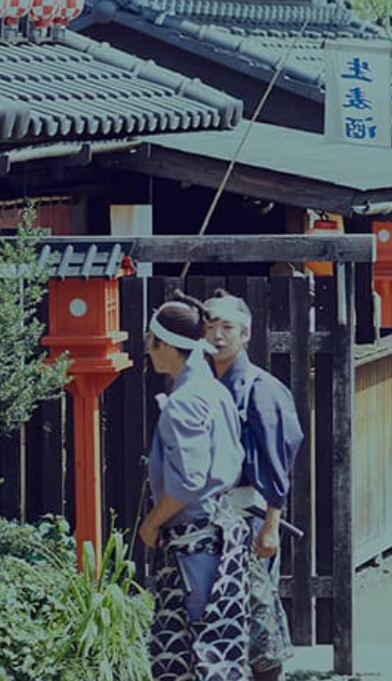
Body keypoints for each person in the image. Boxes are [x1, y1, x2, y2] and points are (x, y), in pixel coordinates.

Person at [139, 300, 252, 681]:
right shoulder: (213, 389)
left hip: (195, 540)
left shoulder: (184, 401)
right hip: (220, 531)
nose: (148, 350)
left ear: (168, 345)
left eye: (151, 342)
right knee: (216, 647)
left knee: (200, 651)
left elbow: (188, 481)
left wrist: (152, 524)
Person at [198, 290, 306, 681]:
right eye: (211, 327)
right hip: (211, 513)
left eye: (227, 327)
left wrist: (272, 523)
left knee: (256, 604)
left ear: (246, 334)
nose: (218, 336)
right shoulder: (207, 385)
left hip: (250, 513)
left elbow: (278, 462)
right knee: (219, 606)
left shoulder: (261, 389)